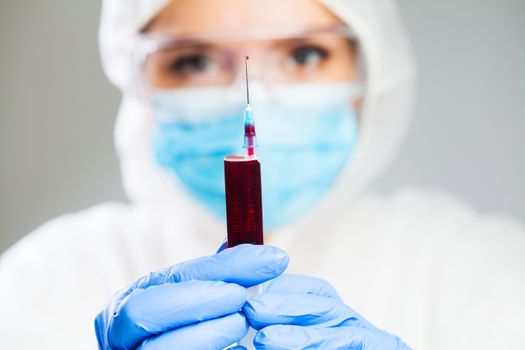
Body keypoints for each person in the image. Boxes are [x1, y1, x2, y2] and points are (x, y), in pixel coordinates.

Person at [1, 0, 524, 348]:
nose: (250, 99)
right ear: (139, 83)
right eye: (195, 62)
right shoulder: (45, 279)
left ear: (370, 72)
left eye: (305, 53)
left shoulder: (484, 268)